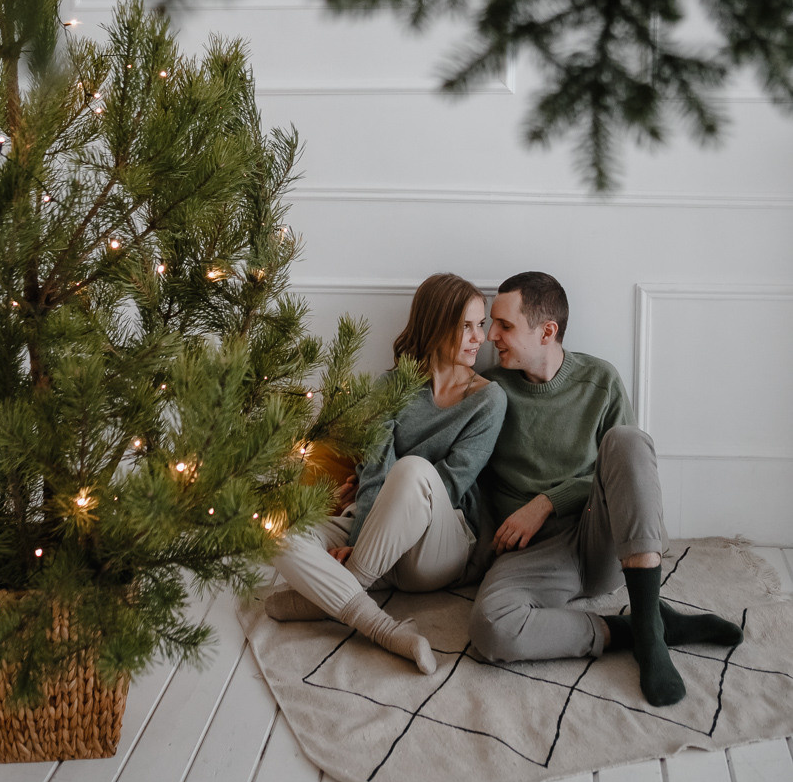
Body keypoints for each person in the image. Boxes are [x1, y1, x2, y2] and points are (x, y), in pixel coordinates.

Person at [468, 271, 744, 707]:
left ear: (546, 331)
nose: (489, 336)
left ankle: (651, 636)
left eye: (503, 325)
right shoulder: (491, 391)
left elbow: (622, 471)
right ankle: (638, 627)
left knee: (628, 440)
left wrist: (547, 502)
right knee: (489, 628)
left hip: (602, 542)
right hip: (531, 558)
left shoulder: (600, 380)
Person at [265, 273, 507, 674]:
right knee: (272, 526)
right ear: (435, 325)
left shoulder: (488, 399)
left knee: (415, 470)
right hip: (375, 533)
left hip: (436, 548)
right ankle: (383, 627)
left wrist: (357, 554)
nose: (478, 338)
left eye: (480, 325)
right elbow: (373, 468)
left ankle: (340, 589)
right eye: (466, 325)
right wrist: (361, 536)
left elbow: (450, 484)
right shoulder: (391, 386)